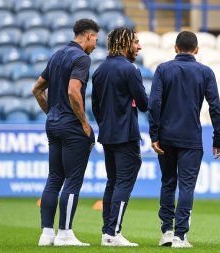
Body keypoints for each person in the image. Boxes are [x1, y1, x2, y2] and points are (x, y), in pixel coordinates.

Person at [148, 31, 220, 248]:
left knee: (168, 183)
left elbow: (154, 103)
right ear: (197, 50)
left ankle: (166, 232)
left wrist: (155, 134)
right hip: (191, 137)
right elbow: (215, 107)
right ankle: (181, 236)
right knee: (187, 186)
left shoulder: (163, 69)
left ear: (175, 48)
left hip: (166, 137)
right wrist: (218, 138)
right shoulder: (206, 72)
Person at [33, 19, 99, 246]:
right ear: (88, 36)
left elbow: (37, 89)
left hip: (53, 124)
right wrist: (84, 123)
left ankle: (46, 234)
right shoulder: (82, 58)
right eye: (95, 40)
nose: (95, 45)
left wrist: (51, 112)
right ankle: (65, 234)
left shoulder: (57, 55)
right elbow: (73, 91)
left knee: (54, 178)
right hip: (71, 126)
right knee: (72, 180)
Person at [91, 27, 147, 247]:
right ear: (124, 44)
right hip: (126, 135)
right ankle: (113, 233)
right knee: (123, 182)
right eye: (135, 42)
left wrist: (106, 124)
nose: (138, 46)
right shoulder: (130, 69)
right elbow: (143, 104)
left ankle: (107, 232)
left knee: (112, 182)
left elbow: (95, 106)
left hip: (107, 135)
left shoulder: (99, 70)